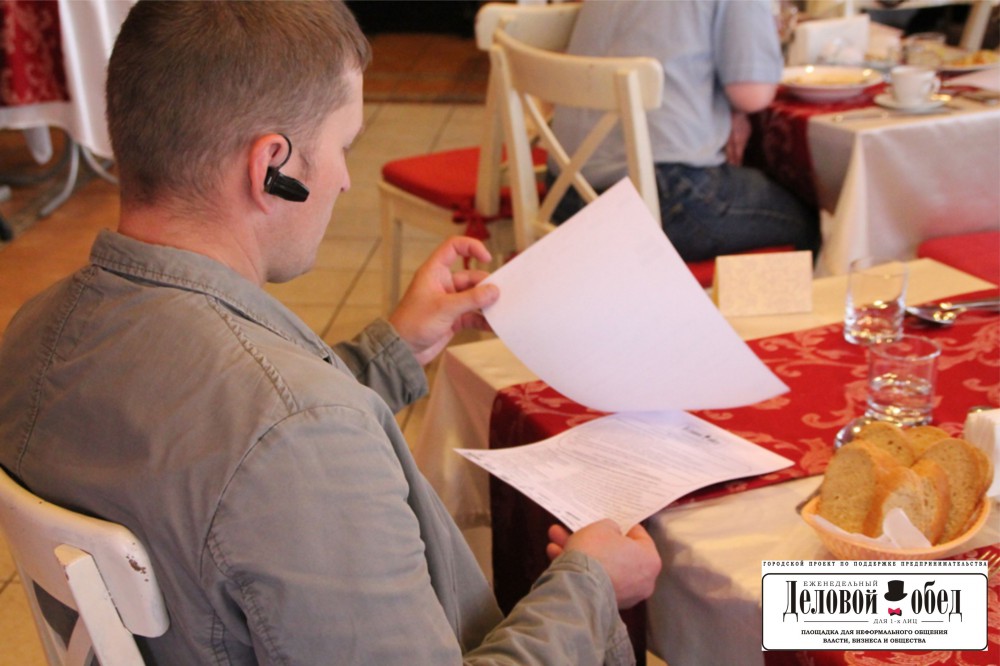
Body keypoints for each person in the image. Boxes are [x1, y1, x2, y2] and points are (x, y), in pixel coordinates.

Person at [0, 2, 660, 664]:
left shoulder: (31, 334)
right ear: (272, 167)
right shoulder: (300, 436)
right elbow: (275, 442)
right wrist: (591, 587)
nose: (345, 180)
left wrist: (393, 349)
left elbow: (210, 444)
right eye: (343, 147)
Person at [549, 0, 821, 263]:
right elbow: (753, 94)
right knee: (813, 216)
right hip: (656, 203)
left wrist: (732, 108)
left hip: (565, 195)